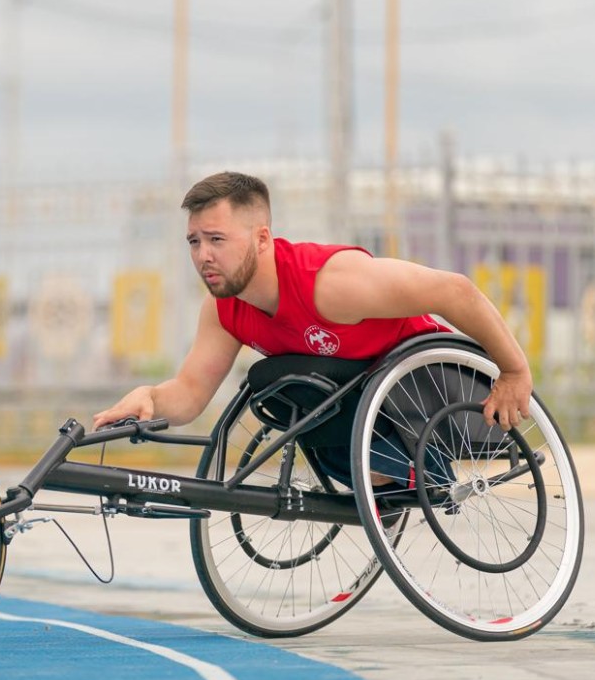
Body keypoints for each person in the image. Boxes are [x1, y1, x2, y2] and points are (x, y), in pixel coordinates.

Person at [92, 171, 532, 487]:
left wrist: (513, 371)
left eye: (217, 239)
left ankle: (412, 473)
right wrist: (149, 397)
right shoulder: (224, 310)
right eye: (194, 241)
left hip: (433, 391)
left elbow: (455, 291)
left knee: (283, 377)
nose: (203, 255)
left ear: (262, 239)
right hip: (357, 398)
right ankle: (384, 480)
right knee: (273, 384)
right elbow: (190, 393)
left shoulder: (329, 282)